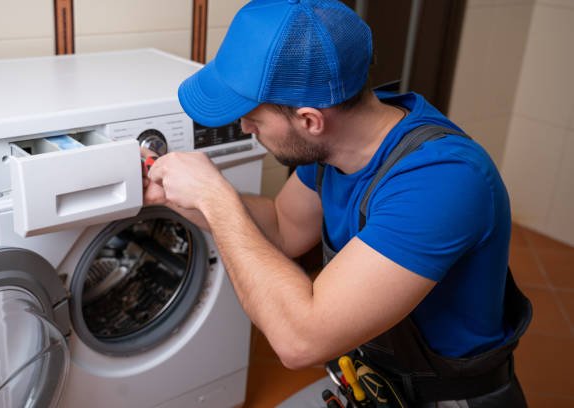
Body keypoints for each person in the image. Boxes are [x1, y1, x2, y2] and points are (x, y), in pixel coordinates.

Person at [143, 0, 531, 406]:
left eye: (253, 117)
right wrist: (178, 198)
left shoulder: (442, 180)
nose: (244, 127)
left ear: (310, 120)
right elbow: (283, 228)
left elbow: (300, 340)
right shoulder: (337, 145)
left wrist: (214, 196)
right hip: (374, 382)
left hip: (446, 398)